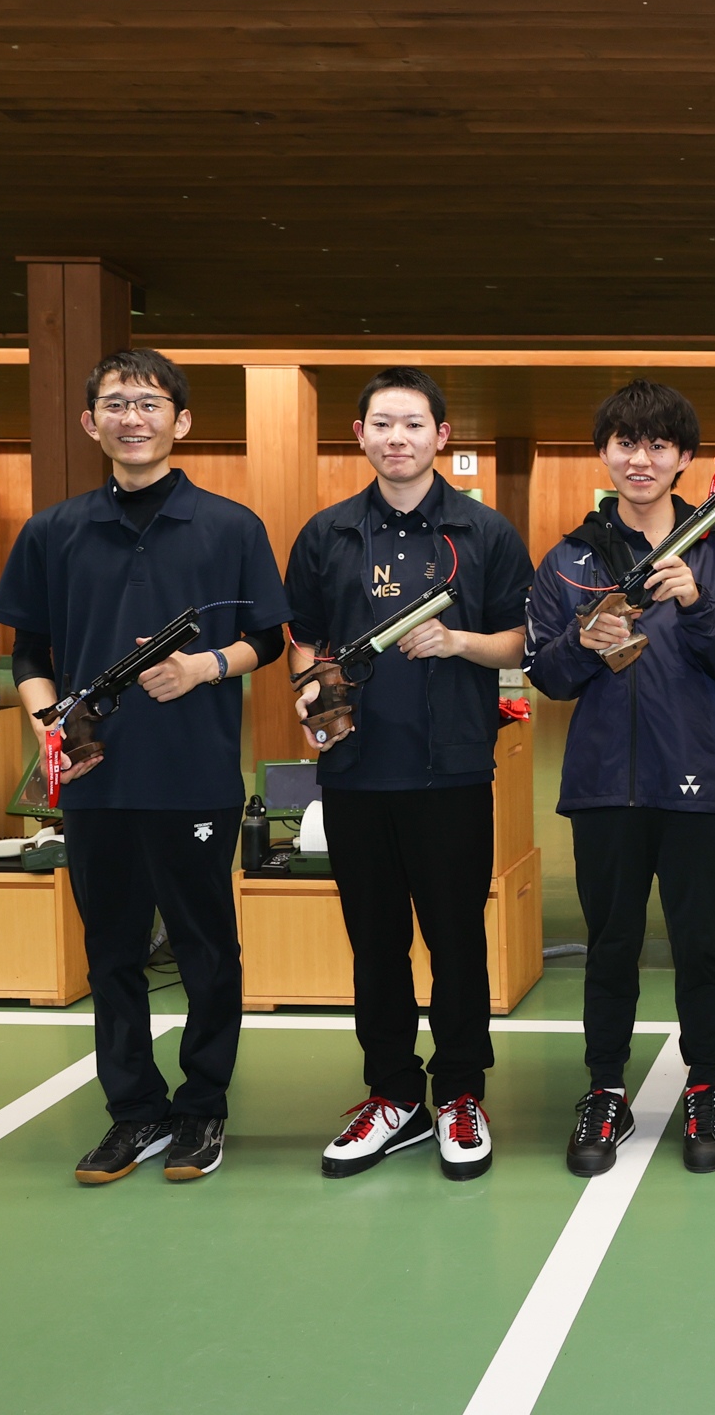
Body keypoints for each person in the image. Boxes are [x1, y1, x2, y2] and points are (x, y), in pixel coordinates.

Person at [0, 348, 290, 1186]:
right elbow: (29, 653)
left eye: (150, 403)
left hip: (195, 776)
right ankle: (133, 1112)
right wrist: (48, 723)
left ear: (180, 421)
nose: (133, 417)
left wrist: (204, 668)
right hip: (97, 782)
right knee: (112, 952)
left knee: (205, 950)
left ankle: (201, 1107)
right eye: (117, 403)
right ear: (92, 422)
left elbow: (268, 639)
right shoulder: (53, 531)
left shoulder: (232, 526)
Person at [283, 368, 534, 1181]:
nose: (398, 438)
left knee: (457, 939)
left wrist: (458, 643)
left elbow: (519, 641)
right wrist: (310, 690)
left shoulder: (485, 533)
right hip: (355, 773)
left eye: (414, 424)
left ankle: (460, 1092)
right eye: (383, 424)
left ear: (441, 436)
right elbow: (304, 637)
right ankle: (393, 1095)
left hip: (451, 772)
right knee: (375, 944)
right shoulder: (326, 534)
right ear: (359, 435)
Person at [525, 379, 715, 1177]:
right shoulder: (569, 559)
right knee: (609, 948)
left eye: (659, 445)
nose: (641, 459)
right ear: (604, 453)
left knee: (702, 947)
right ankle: (605, 1089)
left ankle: (706, 1084)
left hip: (695, 784)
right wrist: (583, 643)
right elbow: (546, 675)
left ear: (684, 457)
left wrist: (697, 603)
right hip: (602, 788)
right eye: (626, 442)